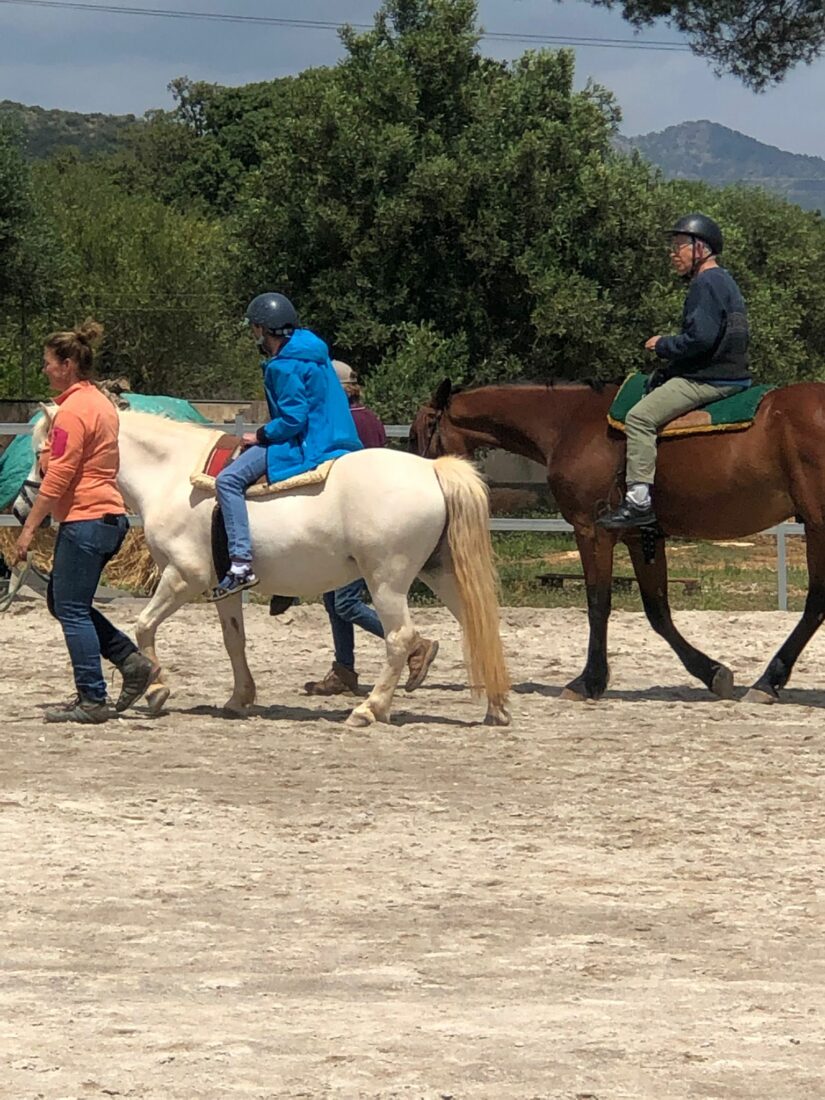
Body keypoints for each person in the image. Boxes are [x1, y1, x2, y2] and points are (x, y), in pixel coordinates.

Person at [13, 321, 155, 724]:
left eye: (48, 363)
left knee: (71, 608)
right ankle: (131, 662)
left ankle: (92, 698)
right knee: (64, 601)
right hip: (107, 518)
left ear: (68, 363)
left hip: (86, 518)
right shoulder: (100, 404)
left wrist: (27, 529)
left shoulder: (73, 412)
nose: (44, 370)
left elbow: (59, 476)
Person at [598, 213, 752, 530]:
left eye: (680, 246)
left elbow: (701, 339)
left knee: (639, 417)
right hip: (731, 374)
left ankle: (638, 501)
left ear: (700, 248)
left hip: (709, 379)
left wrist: (663, 345)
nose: (673, 254)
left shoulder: (705, 283)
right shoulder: (725, 280)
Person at [210, 293, 363, 600]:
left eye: (255, 329)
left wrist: (262, 435)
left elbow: (293, 419)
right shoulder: (313, 350)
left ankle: (241, 563)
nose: (254, 335)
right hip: (339, 438)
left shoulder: (285, 366)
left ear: (265, 329)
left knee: (228, 480)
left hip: (307, 442)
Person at [304, 361, 439, 696]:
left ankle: (414, 644)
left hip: (353, 520)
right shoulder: (372, 419)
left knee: (345, 603)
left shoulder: (342, 422)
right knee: (332, 600)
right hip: (362, 517)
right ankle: (344, 669)